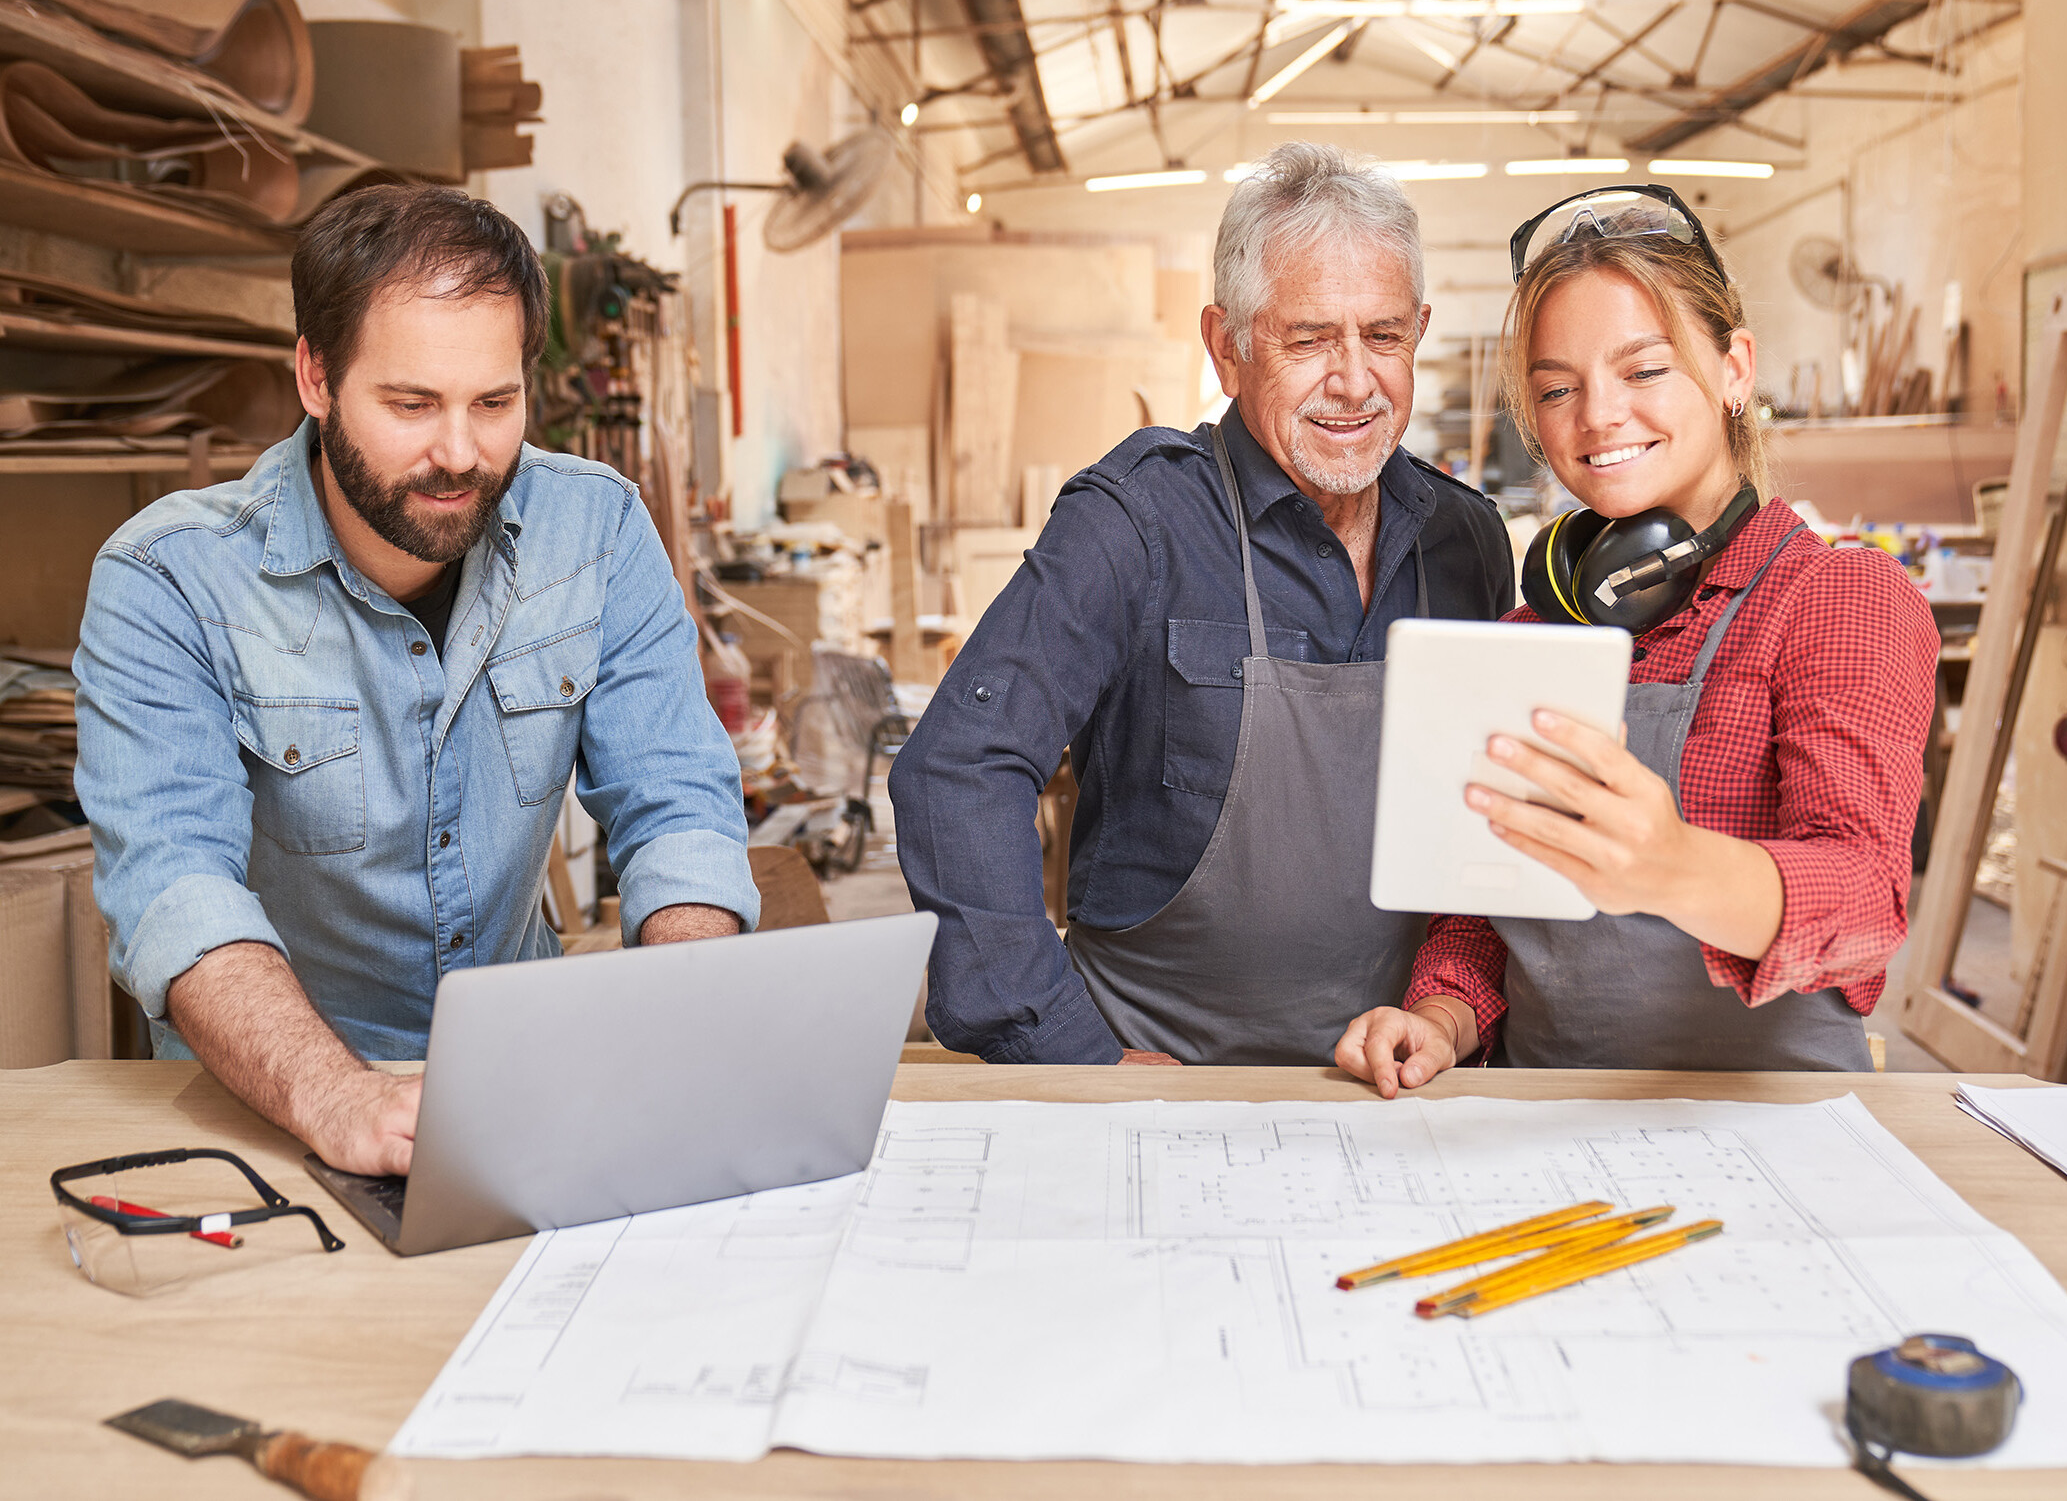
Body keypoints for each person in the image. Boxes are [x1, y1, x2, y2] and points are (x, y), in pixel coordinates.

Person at [76, 185, 759, 1174]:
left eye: (494, 403)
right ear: (315, 376)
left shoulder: (597, 529)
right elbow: (175, 887)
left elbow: (677, 806)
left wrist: (687, 1009)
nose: (459, 453)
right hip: (272, 1110)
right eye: (410, 404)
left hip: (529, 1092)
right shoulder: (166, 581)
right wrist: (338, 1094)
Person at [891, 143, 1516, 1066]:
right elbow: (958, 772)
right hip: (1158, 1083)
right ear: (1228, 347)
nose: (1353, 381)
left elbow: (1484, 842)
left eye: (1382, 336)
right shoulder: (1134, 524)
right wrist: (1069, 1052)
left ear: (1418, 330)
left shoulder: (1463, 541)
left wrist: (1451, 1017)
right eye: (1308, 339)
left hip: (1395, 1080)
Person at [1335, 185, 1937, 1091]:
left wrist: (1670, 866)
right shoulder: (1534, 629)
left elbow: (1864, 903)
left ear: (1735, 367)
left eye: (1643, 370)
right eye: (1556, 388)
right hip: (1543, 1118)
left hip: (1772, 1126)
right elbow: (1486, 913)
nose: (1598, 415)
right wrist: (1439, 1019)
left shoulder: (1835, 599)